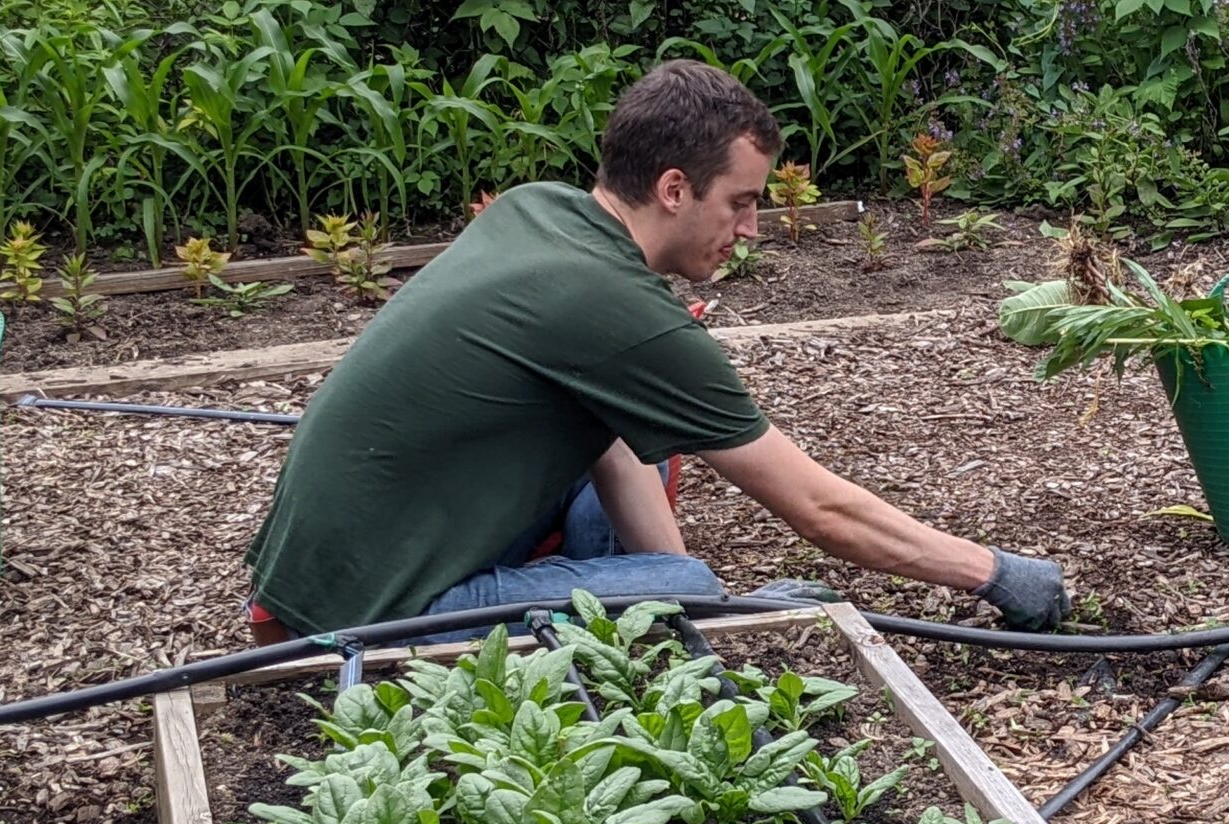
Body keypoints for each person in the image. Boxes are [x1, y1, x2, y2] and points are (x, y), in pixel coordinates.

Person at [243, 59, 1072, 637]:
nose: (750, 230)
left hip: (333, 566)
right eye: (740, 203)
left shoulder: (543, 210)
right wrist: (994, 574)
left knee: (658, 475)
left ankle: (658, 597)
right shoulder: (609, 306)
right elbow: (818, 510)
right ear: (674, 188)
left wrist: (675, 598)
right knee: (688, 584)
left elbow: (607, 437)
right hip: (370, 612)